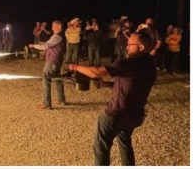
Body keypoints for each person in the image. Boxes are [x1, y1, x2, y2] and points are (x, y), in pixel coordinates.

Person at [67, 32, 157, 166]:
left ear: (141, 47)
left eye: (130, 45)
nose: (126, 47)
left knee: (101, 146)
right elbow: (129, 85)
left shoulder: (129, 63)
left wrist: (75, 67)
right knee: (125, 142)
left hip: (116, 114)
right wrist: (104, 84)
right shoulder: (151, 66)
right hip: (134, 115)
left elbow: (95, 71)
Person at [29, 20, 67, 110]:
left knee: (46, 80)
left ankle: (46, 104)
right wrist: (43, 45)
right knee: (58, 80)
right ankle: (61, 100)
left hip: (52, 62)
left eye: (54, 26)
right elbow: (50, 45)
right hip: (57, 62)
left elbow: (46, 46)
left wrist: (33, 46)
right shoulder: (61, 36)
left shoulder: (56, 36)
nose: (52, 27)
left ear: (59, 27)